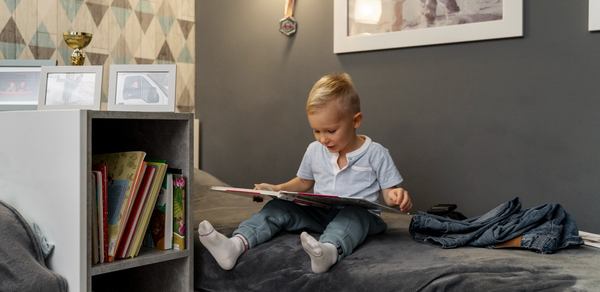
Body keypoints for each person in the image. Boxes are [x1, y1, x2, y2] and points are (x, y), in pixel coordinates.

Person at [198, 73, 413, 273]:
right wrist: (276, 189)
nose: (322, 138)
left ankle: (328, 252)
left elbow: (388, 192)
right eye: (316, 131)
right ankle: (234, 245)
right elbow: (303, 181)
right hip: (321, 213)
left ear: (355, 121)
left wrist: (396, 195)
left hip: (362, 218)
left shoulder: (376, 153)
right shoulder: (315, 150)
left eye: (330, 131)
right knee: (278, 207)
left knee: (352, 215)